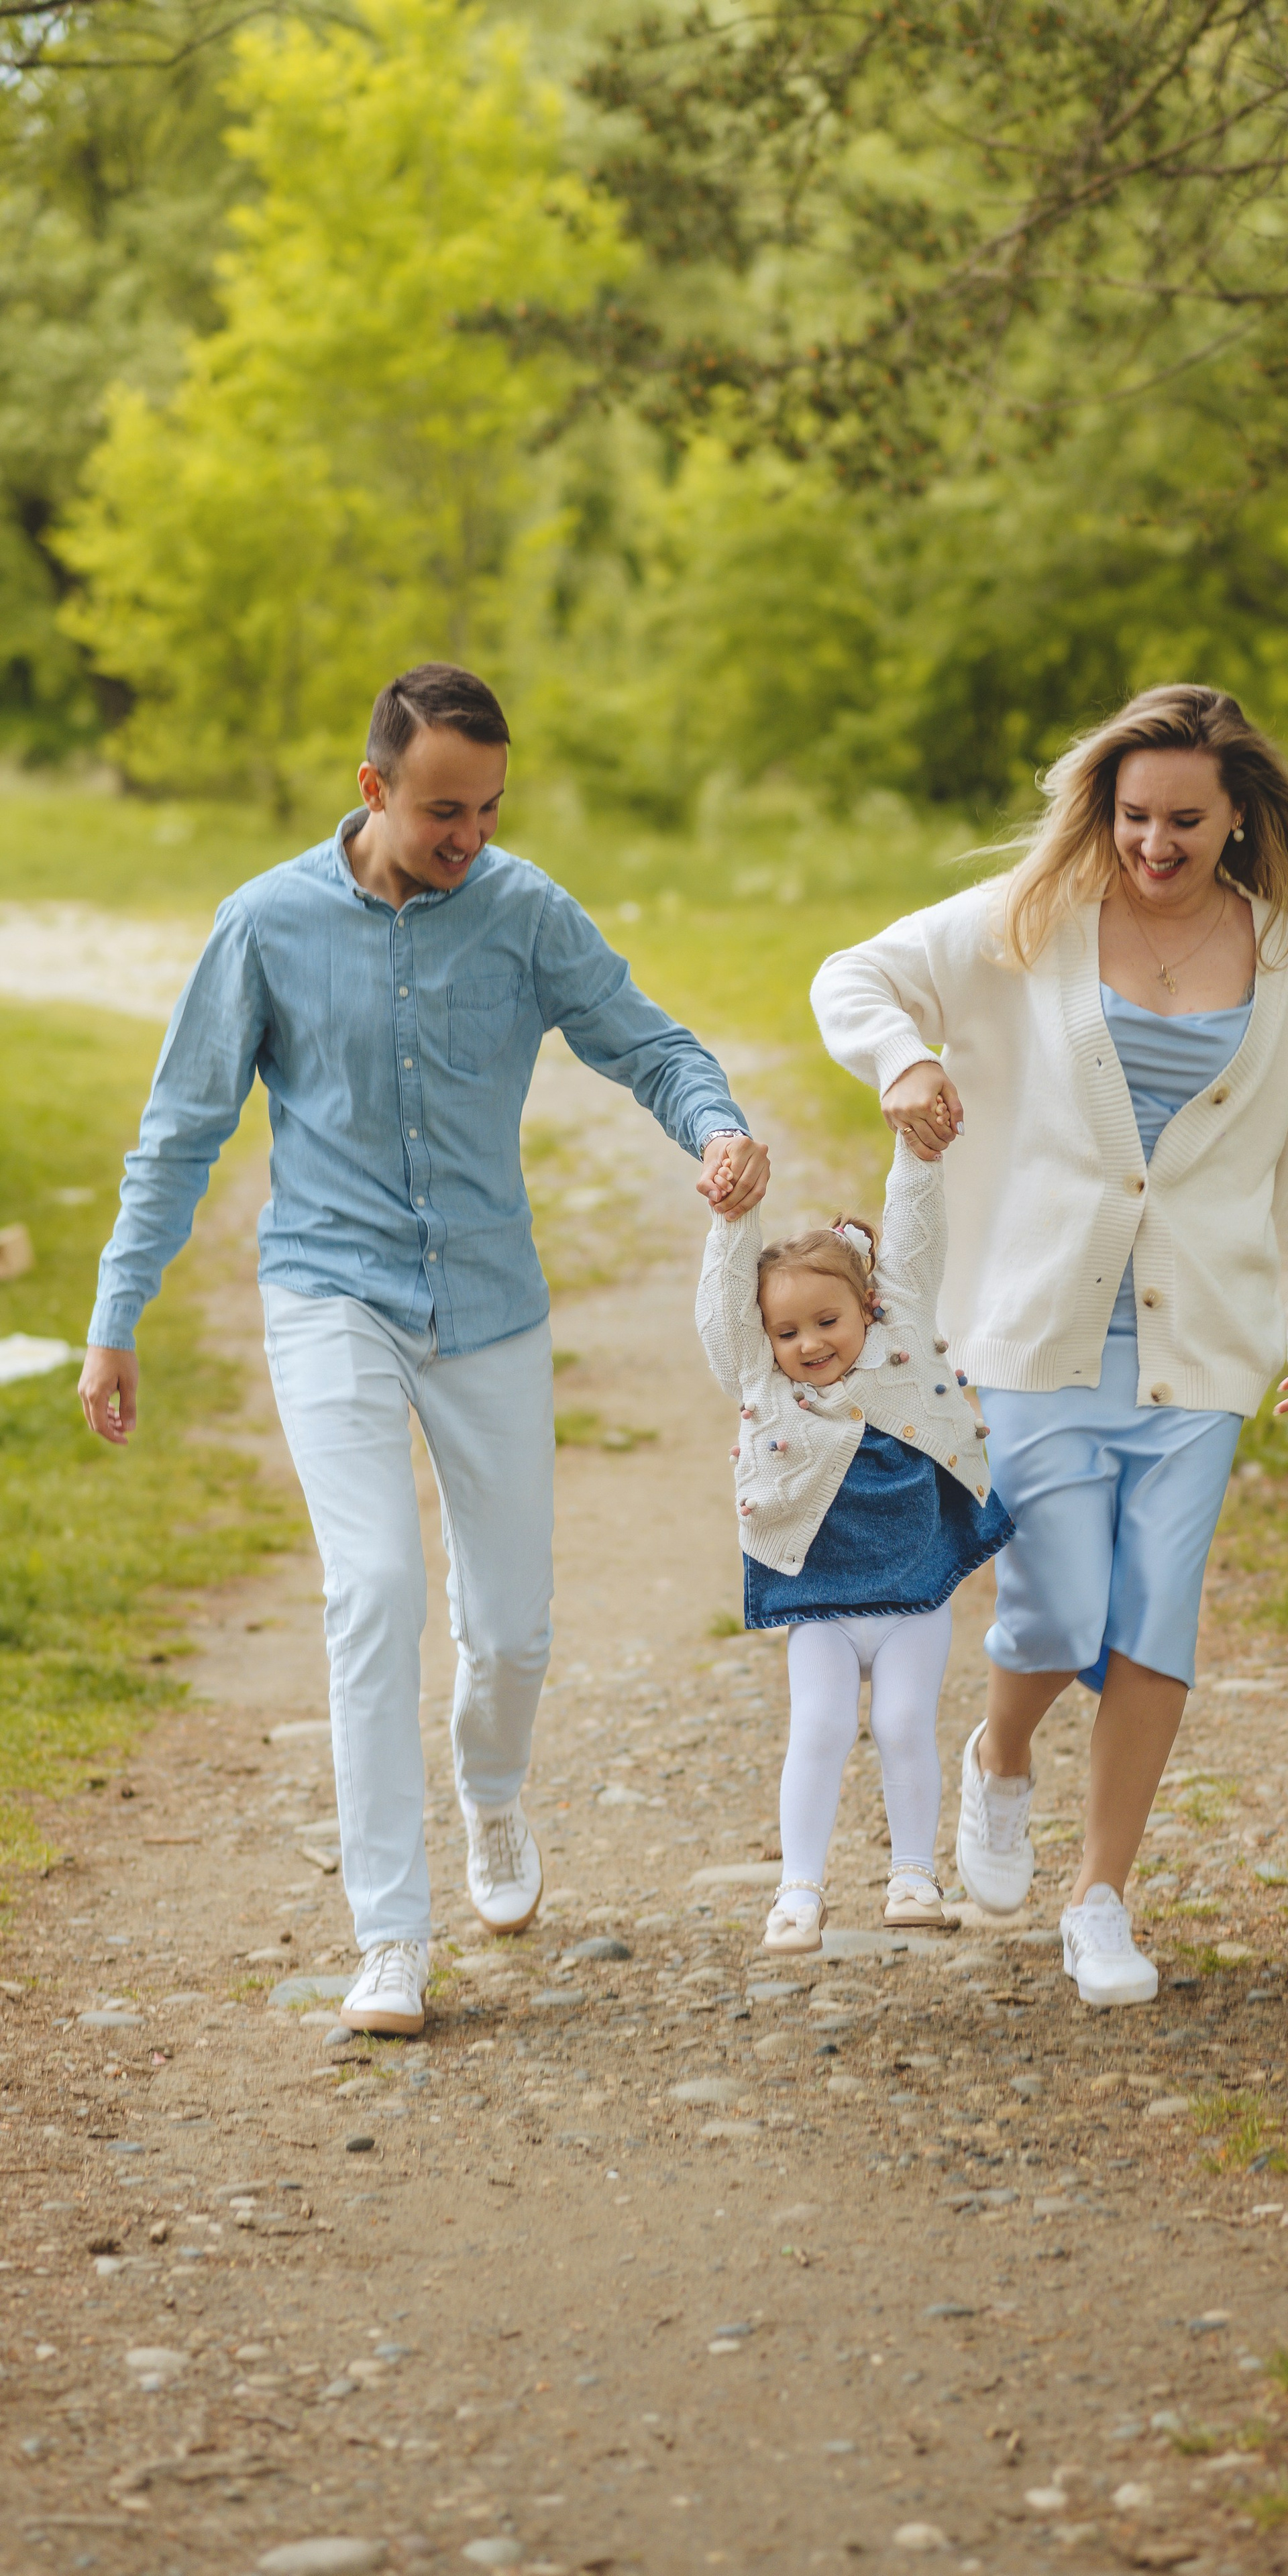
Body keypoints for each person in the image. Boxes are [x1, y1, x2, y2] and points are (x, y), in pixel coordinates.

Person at [79, 663, 769, 2038]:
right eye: (444, 809)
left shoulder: (522, 912)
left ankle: (491, 1794)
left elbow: (649, 1044)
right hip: (329, 1291)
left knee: (509, 1633)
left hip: (490, 1306)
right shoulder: (264, 925)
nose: (469, 837)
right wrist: (115, 1313)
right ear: (374, 787)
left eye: (489, 810)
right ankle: (390, 1935)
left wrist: (717, 1128)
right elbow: (181, 1131)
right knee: (376, 1588)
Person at [810, 683, 1288, 2008]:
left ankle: (1099, 1896)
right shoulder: (1030, 924)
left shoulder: (1278, 955)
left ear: (1236, 820)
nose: (1152, 845)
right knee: (1059, 1601)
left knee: (1155, 1613)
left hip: (1198, 1340)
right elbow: (853, 976)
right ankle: (999, 1760)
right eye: (1131, 817)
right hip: (1037, 1327)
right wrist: (900, 1065)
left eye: (1182, 821)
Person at [696, 1135, 1013, 1953]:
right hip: (822, 1601)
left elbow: (915, 1232)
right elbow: (726, 1312)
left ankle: (914, 1875)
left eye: (826, 1321)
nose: (808, 1345)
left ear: (870, 1308)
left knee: (906, 1723)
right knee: (822, 1727)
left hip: (914, 1590)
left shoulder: (899, 1334)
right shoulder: (764, 1380)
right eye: (787, 1331)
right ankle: (798, 1890)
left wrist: (918, 1151)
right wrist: (735, 1220)